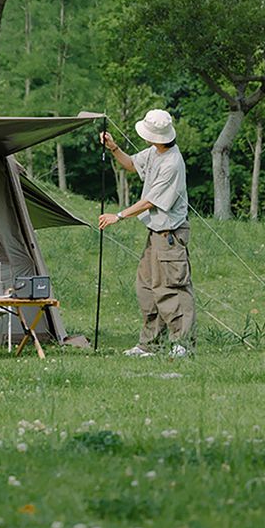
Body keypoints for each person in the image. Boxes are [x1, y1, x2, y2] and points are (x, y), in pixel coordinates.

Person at [98, 109, 196, 357]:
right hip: (155, 232)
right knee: (147, 288)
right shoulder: (154, 151)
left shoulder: (172, 163)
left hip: (170, 235)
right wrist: (113, 147)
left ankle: (181, 344)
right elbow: (131, 164)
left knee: (171, 288)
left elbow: (150, 201)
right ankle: (149, 344)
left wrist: (118, 216)